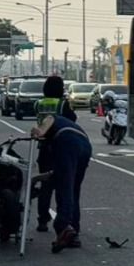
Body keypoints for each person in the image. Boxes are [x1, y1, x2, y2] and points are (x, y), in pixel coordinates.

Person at [31, 100, 92, 253]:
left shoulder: (51, 118)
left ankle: (63, 227)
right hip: (85, 145)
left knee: (64, 188)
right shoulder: (68, 123)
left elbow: (42, 131)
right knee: (74, 189)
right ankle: (74, 232)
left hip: (68, 143)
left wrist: (36, 131)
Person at [33, 76, 77, 233]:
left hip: (44, 147)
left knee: (45, 186)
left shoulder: (39, 103)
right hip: (59, 147)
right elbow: (72, 119)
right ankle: (62, 220)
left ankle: (42, 220)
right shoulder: (62, 104)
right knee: (62, 185)